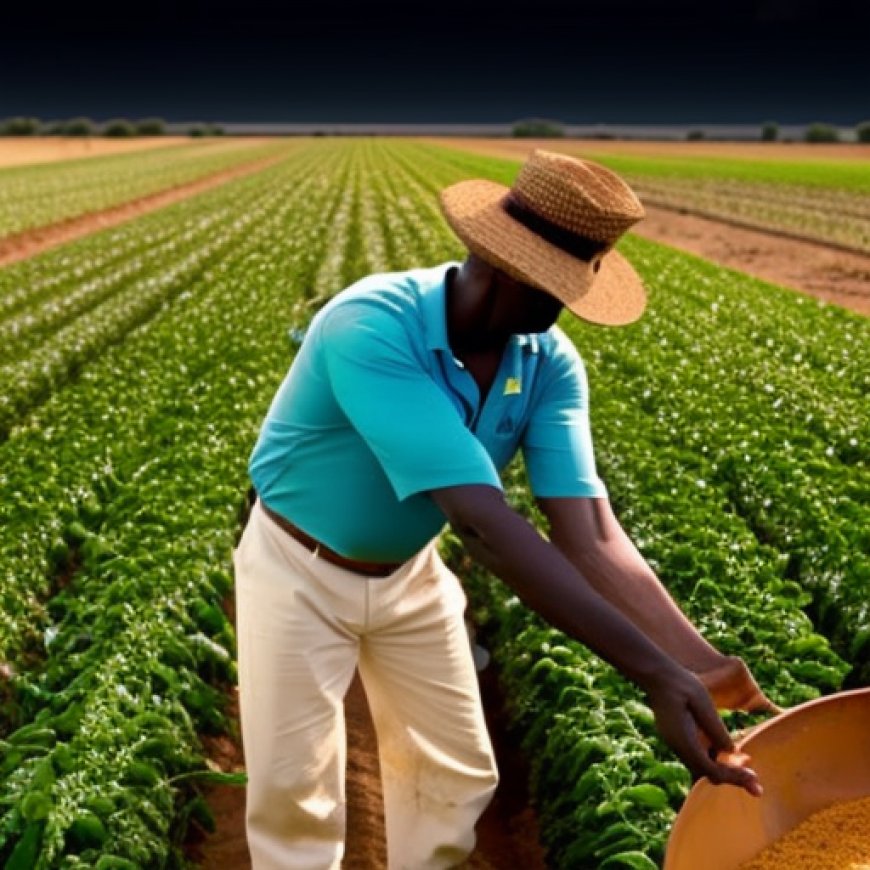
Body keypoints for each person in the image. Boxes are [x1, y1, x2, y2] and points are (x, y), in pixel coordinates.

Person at [233, 149, 778, 870]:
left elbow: (589, 534)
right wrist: (649, 672)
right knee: (296, 793)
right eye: (559, 288)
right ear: (511, 269)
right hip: (297, 568)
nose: (564, 310)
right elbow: (482, 523)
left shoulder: (546, 361)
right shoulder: (370, 327)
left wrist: (701, 665)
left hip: (408, 575)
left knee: (456, 773)